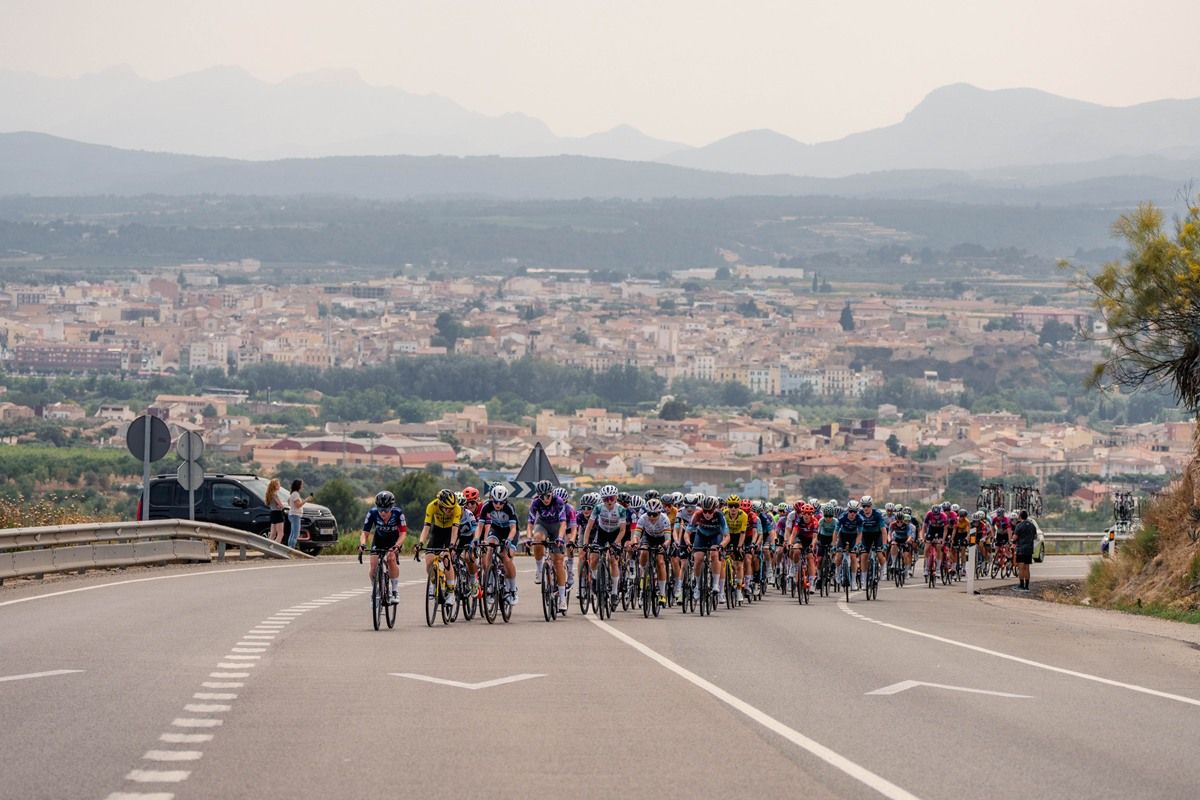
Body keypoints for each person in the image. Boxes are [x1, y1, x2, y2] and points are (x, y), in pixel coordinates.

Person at [359, 491, 406, 604]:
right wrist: (362, 544)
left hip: (393, 541)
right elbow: (365, 533)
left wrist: (397, 545)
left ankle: (394, 591)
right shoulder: (372, 513)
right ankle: (376, 590)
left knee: (390, 559)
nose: (383, 512)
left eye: (386, 509)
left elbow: (403, 533)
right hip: (379, 540)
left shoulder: (398, 513)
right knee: (373, 566)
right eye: (380, 509)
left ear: (392, 507)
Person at [418, 489, 461, 612]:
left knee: (447, 558)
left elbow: (455, 530)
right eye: (447, 508)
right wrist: (420, 543)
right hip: (437, 531)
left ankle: (451, 592)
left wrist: (452, 545)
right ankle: (433, 583)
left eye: (452, 508)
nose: (450, 511)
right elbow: (426, 528)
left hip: (449, 532)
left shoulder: (457, 508)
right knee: (429, 560)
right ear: (441, 505)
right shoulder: (432, 506)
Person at [478, 484, 520, 604]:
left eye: (501, 503)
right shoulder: (487, 506)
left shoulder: (509, 508)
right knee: (490, 547)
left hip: (510, 532)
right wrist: (476, 539)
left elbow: (513, 529)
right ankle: (490, 583)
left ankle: (512, 590)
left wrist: (509, 540)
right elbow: (480, 526)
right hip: (496, 529)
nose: (498, 505)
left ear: (505, 501)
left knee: (506, 557)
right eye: (495, 501)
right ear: (492, 499)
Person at [1014, 510, 1037, 592]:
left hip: (1021, 549)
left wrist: (1012, 540)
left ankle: (1021, 585)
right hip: (1029, 549)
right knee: (1027, 567)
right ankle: (1027, 586)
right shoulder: (1032, 525)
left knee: (1021, 567)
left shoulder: (1019, 525)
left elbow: (1015, 537)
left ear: (1020, 516)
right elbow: (1035, 536)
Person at [265, 478, 287, 543]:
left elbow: (272, 504)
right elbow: (281, 505)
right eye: (278, 484)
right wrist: (282, 506)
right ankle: (275, 547)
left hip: (272, 513)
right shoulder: (275, 494)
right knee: (280, 534)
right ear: (275, 486)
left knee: (273, 534)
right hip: (278, 514)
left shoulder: (269, 494)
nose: (280, 486)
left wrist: (279, 505)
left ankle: (267, 546)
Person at [286, 479, 305, 549]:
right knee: (296, 534)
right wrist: (306, 500)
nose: (302, 486)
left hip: (293, 514)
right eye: (301, 485)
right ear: (298, 486)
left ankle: (289, 548)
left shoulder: (293, 494)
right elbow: (298, 505)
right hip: (295, 515)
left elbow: (289, 502)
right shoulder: (296, 494)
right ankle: (292, 548)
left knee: (292, 533)